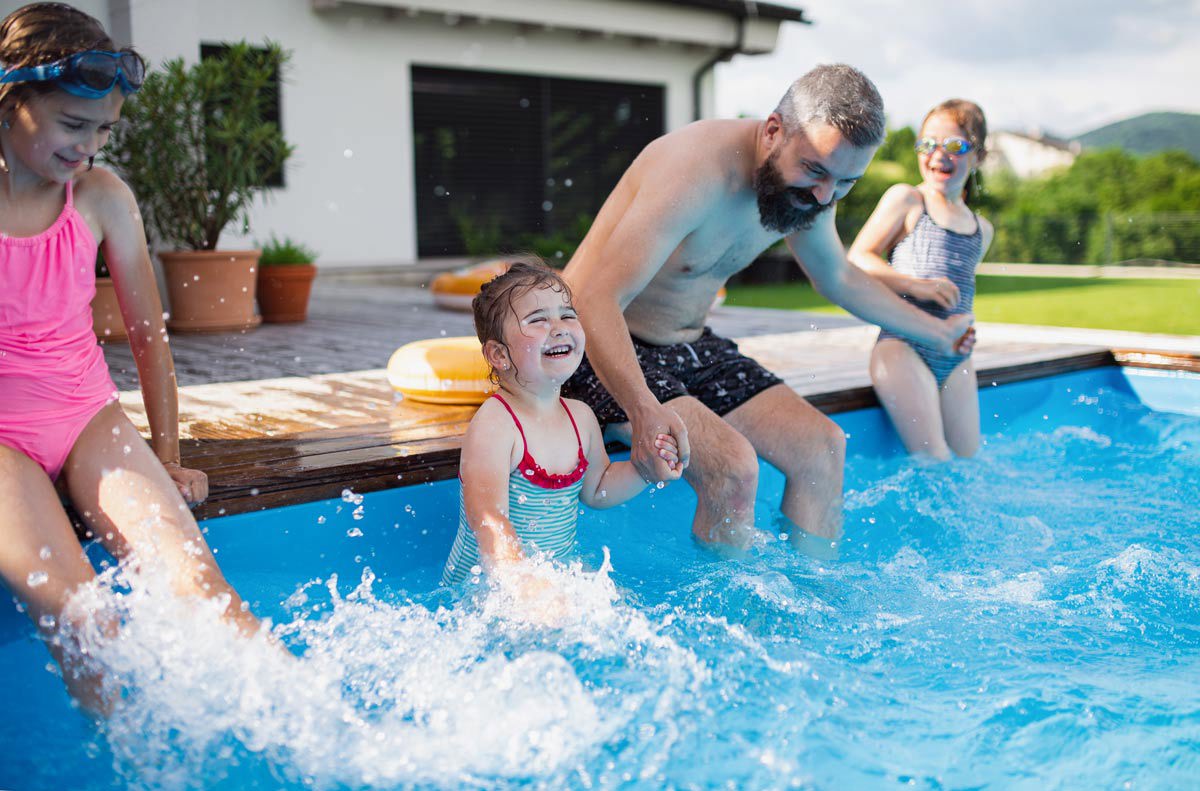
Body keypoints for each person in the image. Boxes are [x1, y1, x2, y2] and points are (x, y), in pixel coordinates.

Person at [562, 64, 976, 554]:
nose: (824, 196)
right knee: (733, 468)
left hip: (687, 344)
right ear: (774, 130)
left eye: (846, 184)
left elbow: (838, 277)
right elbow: (595, 299)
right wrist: (643, 409)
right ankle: (727, 624)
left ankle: (814, 606)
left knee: (824, 448)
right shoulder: (693, 169)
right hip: (591, 345)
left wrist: (937, 333)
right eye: (816, 170)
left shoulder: (809, 189)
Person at [0, 3, 261, 713]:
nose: (89, 147)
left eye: (105, 130)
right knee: (84, 619)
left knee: (204, 592)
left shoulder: (101, 197)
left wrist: (168, 455)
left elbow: (149, 338)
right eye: (73, 125)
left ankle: (310, 732)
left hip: (87, 417)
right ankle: (117, 754)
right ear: (11, 100)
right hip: (2, 442)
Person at [442, 259, 681, 594]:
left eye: (568, 315)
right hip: (489, 589)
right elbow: (489, 520)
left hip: (551, 579)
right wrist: (523, 584)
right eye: (538, 320)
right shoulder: (496, 425)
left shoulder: (581, 417)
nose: (559, 326)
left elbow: (597, 489)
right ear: (499, 354)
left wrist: (645, 470)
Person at [847, 99, 994, 460]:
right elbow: (858, 257)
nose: (937, 155)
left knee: (967, 463)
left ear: (979, 156)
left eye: (955, 146)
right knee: (936, 461)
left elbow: (960, 295)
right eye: (927, 144)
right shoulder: (909, 200)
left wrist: (966, 325)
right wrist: (914, 286)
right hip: (903, 346)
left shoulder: (982, 229)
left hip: (955, 356)